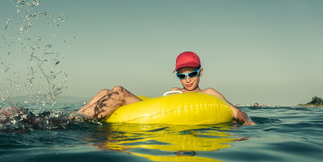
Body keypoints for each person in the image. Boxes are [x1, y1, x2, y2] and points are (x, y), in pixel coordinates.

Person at [76, 51, 255, 125]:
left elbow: (236, 112)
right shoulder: (174, 90)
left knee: (120, 91)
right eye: (181, 76)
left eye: (192, 74)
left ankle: (75, 122)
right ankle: (73, 119)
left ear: (201, 73)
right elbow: (159, 107)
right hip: (158, 109)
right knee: (106, 92)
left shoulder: (208, 92)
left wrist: (247, 121)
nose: (187, 80)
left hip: (171, 120)